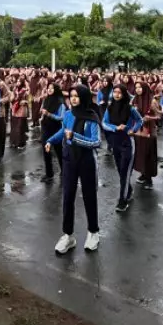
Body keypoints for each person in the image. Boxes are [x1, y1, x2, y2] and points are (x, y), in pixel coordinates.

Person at [49, 85, 102, 254]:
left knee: (89, 197)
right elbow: (64, 132)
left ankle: (93, 232)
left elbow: (96, 142)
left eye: (77, 96)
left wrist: (75, 137)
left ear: (84, 98)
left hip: (86, 161)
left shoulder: (92, 117)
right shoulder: (68, 115)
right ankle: (68, 236)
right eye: (71, 95)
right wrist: (50, 140)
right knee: (68, 197)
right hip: (69, 160)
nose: (73, 99)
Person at [102, 85, 144, 212]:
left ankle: (122, 200)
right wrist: (115, 128)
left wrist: (133, 130)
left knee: (125, 173)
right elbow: (104, 123)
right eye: (114, 92)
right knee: (121, 171)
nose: (117, 95)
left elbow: (139, 120)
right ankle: (129, 190)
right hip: (115, 142)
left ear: (124, 94)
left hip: (127, 143)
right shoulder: (109, 108)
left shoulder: (130, 108)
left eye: (119, 92)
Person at [131, 80, 160, 190]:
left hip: (149, 131)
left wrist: (150, 118)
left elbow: (159, 116)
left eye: (140, 87)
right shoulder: (135, 100)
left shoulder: (152, 101)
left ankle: (149, 179)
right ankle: (143, 174)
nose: (138, 89)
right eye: (136, 87)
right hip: (138, 131)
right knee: (140, 153)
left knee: (149, 154)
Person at [40, 82, 67, 182]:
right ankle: (49, 173)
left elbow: (62, 117)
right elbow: (44, 110)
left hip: (56, 128)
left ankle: (64, 170)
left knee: (59, 150)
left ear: (56, 89)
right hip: (46, 127)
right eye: (48, 88)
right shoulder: (46, 99)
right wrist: (43, 116)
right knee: (45, 149)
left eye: (52, 88)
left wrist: (49, 114)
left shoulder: (60, 102)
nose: (50, 90)